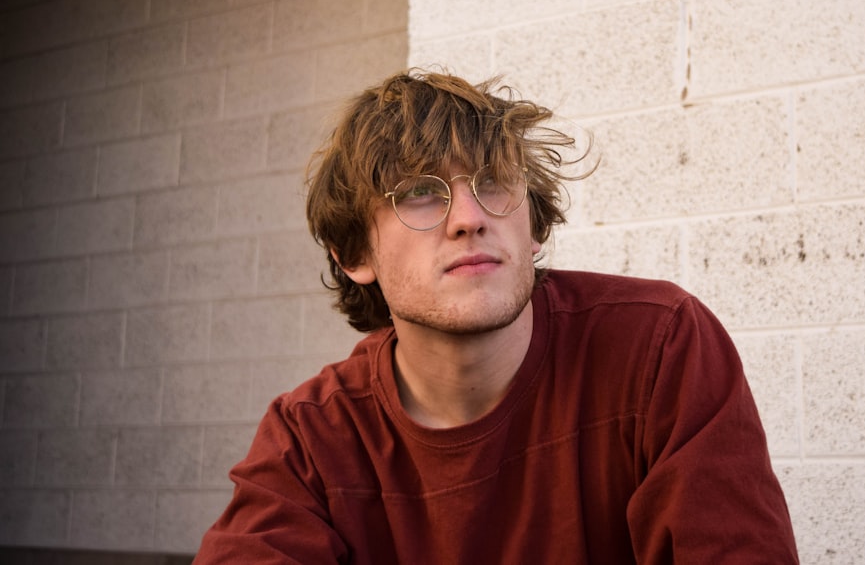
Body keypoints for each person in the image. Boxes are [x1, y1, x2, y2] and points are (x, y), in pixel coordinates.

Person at [193, 70, 799, 563]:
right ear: (354, 254)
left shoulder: (658, 346)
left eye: (493, 184)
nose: (468, 217)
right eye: (419, 194)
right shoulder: (312, 436)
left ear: (532, 225)